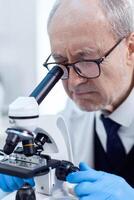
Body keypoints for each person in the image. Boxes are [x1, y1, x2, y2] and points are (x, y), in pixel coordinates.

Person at [0, 0, 134, 199]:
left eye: (86, 60)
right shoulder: (71, 117)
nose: (73, 82)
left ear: (130, 49)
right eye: (61, 63)